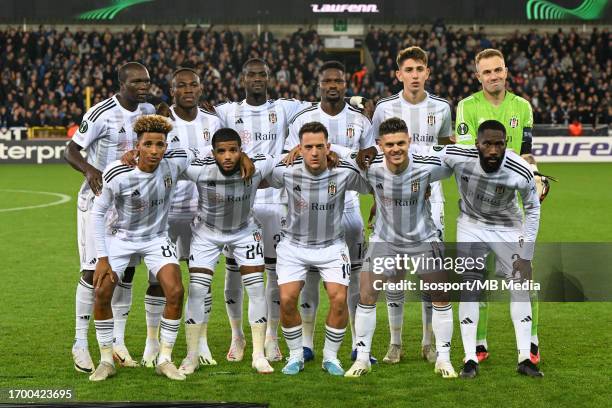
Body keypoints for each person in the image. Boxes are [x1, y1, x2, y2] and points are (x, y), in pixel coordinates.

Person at [214, 58, 312, 362]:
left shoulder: (285, 108)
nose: (257, 79)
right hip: (239, 202)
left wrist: (298, 146)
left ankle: (270, 336)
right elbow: (198, 117)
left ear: (269, 78)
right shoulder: (227, 111)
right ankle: (237, 336)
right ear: (243, 79)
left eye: (262, 75)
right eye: (251, 75)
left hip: (276, 202)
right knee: (234, 271)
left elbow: (321, 108)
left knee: (272, 272)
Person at [343, 118, 457, 379]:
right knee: (367, 296)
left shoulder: (427, 165)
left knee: (441, 296)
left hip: (423, 239)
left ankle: (444, 358)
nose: (396, 149)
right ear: (380, 145)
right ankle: (362, 359)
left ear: (410, 142)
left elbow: (459, 158)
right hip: (385, 241)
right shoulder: (369, 166)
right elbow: (333, 152)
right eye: (390, 144)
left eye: (401, 143)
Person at [88, 115, 197, 381]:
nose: (154, 150)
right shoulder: (118, 171)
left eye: (160, 144)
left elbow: (197, 153)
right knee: (101, 292)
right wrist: (102, 258)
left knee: (176, 290)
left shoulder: (174, 163)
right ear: (137, 146)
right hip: (120, 238)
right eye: (147, 144)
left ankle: (165, 359)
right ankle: (105, 361)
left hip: (156, 238)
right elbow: (97, 213)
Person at [64, 62, 155, 373]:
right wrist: (90, 170)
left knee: (125, 274)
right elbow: (70, 150)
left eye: (146, 80)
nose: (143, 85)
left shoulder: (150, 109)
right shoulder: (101, 112)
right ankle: (79, 343)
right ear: (122, 83)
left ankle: (117, 342)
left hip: (131, 206)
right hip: (98, 203)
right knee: (93, 273)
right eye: (136, 81)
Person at [455, 48, 543, 364]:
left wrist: (534, 175)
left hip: (509, 210)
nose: (494, 76)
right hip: (476, 209)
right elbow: (467, 158)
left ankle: (531, 345)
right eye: (487, 72)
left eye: (498, 70)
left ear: (506, 71)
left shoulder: (523, 107)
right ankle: (479, 344)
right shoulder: (467, 107)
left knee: (523, 278)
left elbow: (528, 154)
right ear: (478, 77)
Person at [285, 61, 375, 363]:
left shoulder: (361, 120)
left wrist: (356, 157)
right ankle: (307, 344)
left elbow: (369, 159)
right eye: (327, 81)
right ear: (319, 84)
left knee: (354, 278)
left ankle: (357, 344)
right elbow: (290, 158)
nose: (333, 85)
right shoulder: (303, 118)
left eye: (338, 80)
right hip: (308, 208)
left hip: (348, 206)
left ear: (346, 84)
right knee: (309, 276)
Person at [440, 120, 543, 378]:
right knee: (469, 286)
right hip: (471, 225)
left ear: (506, 144)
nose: (493, 150)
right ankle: (470, 358)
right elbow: (421, 155)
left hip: (508, 227)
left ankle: (525, 358)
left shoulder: (520, 170)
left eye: (499, 144)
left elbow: (533, 208)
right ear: (477, 144)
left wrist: (527, 255)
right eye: (487, 144)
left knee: (520, 284)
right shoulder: (458, 156)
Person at [267, 121, 370, 376]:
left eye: (319, 147)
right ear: (298, 149)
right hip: (293, 246)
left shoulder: (343, 171)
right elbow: (257, 172)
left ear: (328, 147)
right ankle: (295, 356)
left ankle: (330, 357)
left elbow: (372, 179)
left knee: (338, 299)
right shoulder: (286, 170)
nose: (314, 152)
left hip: (332, 246)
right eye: (308, 147)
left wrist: (346, 156)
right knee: (288, 299)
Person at [371, 46, 453, 364]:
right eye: (409, 70)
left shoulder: (443, 108)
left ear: (427, 72)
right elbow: (375, 154)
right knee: (394, 272)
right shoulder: (384, 108)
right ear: (399, 74)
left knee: (431, 275)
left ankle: (428, 342)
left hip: (433, 198)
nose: (415, 75)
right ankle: (395, 342)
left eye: (420, 69)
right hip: (393, 199)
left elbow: (447, 153)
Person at [140, 67, 222, 368]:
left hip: (203, 213)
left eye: (193, 85)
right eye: (181, 85)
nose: (188, 90)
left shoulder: (213, 121)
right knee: (157, 280)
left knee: (201, 280)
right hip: (164, 213)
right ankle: (152, 341)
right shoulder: (161, 122)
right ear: (171, 90)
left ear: (201, 88)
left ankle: (199, 341)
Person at [177, 128, 276, 375]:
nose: (228, 156)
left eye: (233, 150)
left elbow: (283, 158)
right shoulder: (199, 169)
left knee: (255, 288)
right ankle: (192, 355)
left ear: (241, 150)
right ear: (213, 153)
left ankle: (258, 355)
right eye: (221, 151)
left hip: (245, 231)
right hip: (206, 233)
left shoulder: (258, 165)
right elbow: (171, 156)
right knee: (198, 289)